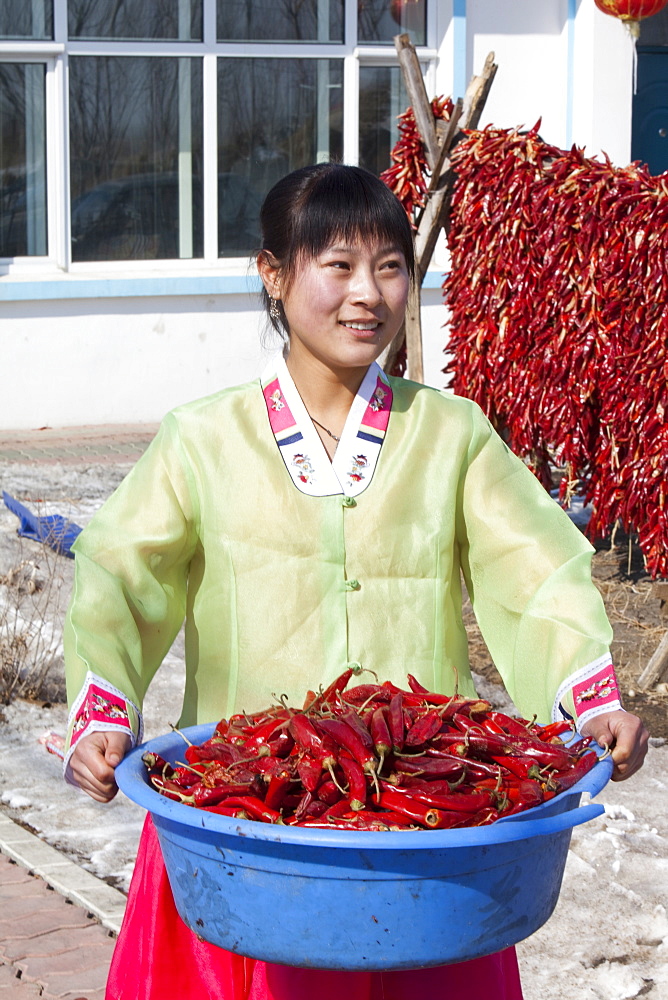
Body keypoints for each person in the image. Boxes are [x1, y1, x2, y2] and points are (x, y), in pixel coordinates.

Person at [63, 163, 648, 1000]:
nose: (367, 293)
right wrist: (104, 709)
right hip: (247, 819)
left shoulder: (450, 434)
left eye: (390, 266)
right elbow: (121, 572)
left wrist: (590, 699)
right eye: (337, 264)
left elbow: (535, 573)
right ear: (274, 273)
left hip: (428, 823)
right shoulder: (204, 439)